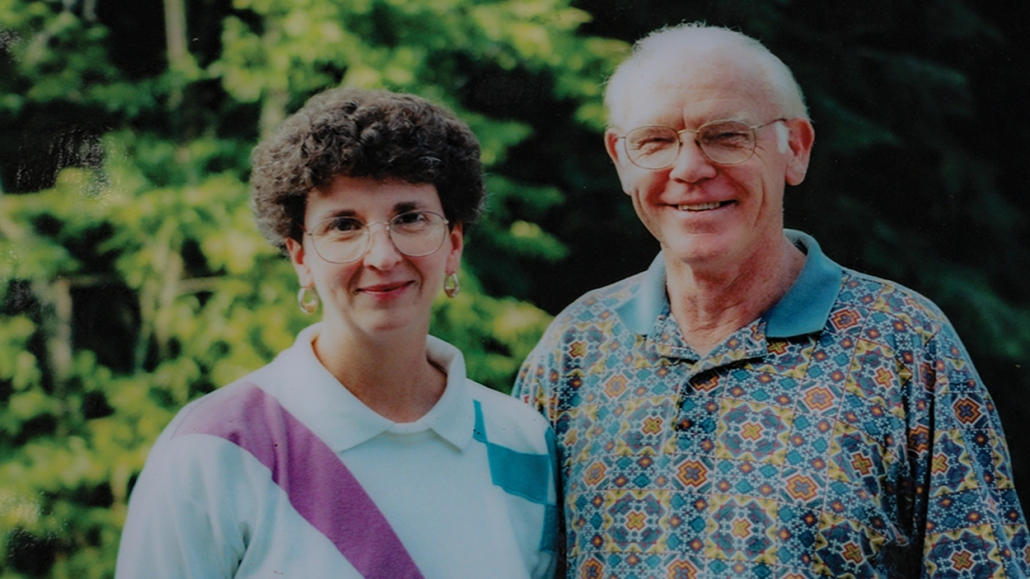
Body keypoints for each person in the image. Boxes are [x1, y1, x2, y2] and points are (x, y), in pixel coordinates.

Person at [513, 23, 1030, 578]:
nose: (689, 169)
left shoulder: (903, 343)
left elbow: (983, 566)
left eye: (727, 136)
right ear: (620, 158)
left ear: (796, 150)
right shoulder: (575, 349)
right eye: (656, 141)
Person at [116, 87, 558, 579]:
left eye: (410, 218)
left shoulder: (524, 443)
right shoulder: (216, 449)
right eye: (344, 225)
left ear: (452, 243)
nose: (382, 256)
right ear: (301, 257)